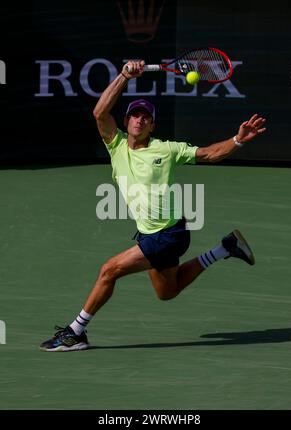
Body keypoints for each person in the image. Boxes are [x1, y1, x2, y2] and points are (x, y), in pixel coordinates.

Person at [40, 60, 266, 352]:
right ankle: (225, 247)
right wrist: (123, 75)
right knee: (167, 292)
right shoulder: (116, 145)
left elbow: (209, 154)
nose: (139, 120)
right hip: (149, 234)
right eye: (135, 115)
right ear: (127, 122)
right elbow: (99, 112)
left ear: (152, 125)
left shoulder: (166, 149)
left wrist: (237, 140)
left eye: (146, 117)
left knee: (109, 270)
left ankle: (76, 332)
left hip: (169, 233)